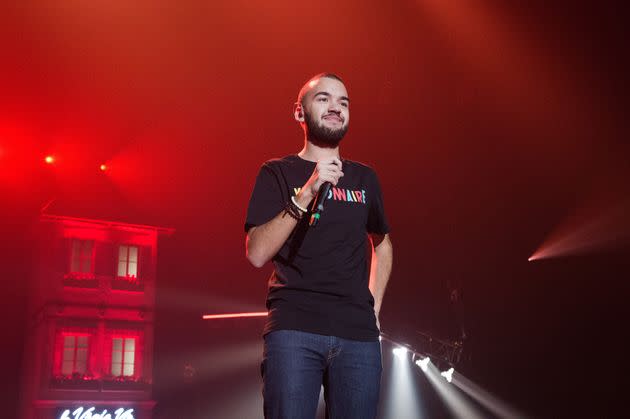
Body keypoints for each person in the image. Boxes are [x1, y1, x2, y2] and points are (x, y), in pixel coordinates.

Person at [244, 72, 393, 419]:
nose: (335, 108)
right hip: (295, 329)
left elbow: (383, 244)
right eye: (323, 99)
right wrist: (307, 192)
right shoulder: (277, 172)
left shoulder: (364, 178)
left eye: (343, 102)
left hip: (358, 336)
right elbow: (256, 253)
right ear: (300, 112)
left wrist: (374, 309)